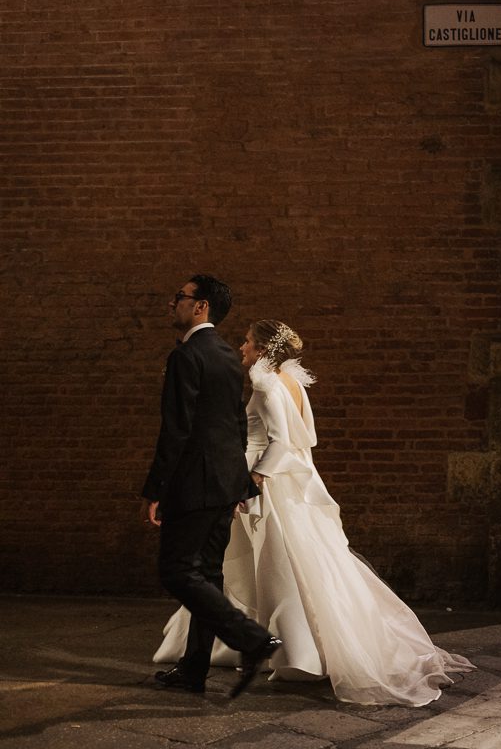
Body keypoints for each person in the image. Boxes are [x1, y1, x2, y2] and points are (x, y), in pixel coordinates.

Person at [154, 320, 473, 706]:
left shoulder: (266, 384)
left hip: (266, 486)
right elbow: (310, 437)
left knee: (274, 566)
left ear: (263, 349)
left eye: (248, 342)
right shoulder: (294, 384)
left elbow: (282, 442)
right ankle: (256, 642)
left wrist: (253, 478)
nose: (241, 347)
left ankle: (287, 649)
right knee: (282, 564)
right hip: (288, 485)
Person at [142, 275, 280, 698]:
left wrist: (157, 489)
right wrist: (239, 482)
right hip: (225, 485)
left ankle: (252, 640)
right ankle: (194, 669)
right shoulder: (225, 355)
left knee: (177, 571)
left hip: (195, 486)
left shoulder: (187, 356)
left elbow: (177, 429)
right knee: (208, 575)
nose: (172, 304)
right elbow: (237, 425)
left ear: (200, 306)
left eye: (179, 297)